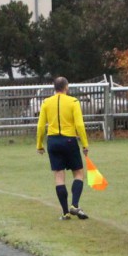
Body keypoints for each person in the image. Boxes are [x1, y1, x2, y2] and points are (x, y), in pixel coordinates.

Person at [36, 76, 90, 220]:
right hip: (69, 140)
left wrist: (39, 145)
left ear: (54, 87)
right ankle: (75, 205)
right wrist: (85, 144)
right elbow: (79, 125)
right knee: (78, 173)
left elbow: (41, 126)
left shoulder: (46, 102)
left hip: (53, 141)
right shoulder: (73, 102)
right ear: (66, 87)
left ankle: (65, 212)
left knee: (59, 177)